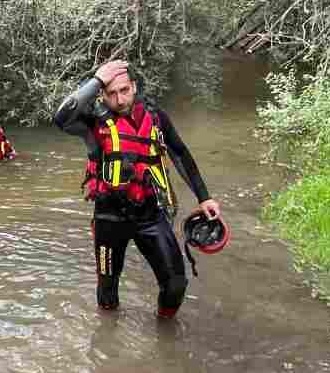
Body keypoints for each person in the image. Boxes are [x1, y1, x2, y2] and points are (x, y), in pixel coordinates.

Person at [53, 58, 220, 317]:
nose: (119, 100)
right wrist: (97, 79)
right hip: (109, 217)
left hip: (150, 215)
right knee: (107, 293)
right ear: (101, 96)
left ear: (133, 86)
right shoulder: (92, 122)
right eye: (111, 93)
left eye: (124, 90)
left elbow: (180, 154)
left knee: (176, 284)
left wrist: (204, 197)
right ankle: (109, 340)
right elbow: (61, 117)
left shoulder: (155, 117)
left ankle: (165, 334)